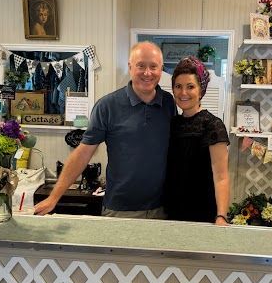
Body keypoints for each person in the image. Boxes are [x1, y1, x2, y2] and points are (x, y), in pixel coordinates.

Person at [34, 41, 176, 217]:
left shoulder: (168, 103)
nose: (147, 73)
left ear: (161, 69)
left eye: (153, 66)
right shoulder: (107, 106)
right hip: (120, 210)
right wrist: (53, 197)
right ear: (130, 67)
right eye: (141, 66)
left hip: (162, 208)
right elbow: (83, 153)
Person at [164, 56, 230, 226]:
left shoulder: (213, 125)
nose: (183, 93)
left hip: (202, 212)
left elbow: (221, 176)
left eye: (190, 86)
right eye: (178, 86)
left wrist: (221, 216)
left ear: (201, 90)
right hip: (170, 211)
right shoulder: (172, 123)